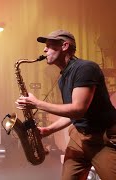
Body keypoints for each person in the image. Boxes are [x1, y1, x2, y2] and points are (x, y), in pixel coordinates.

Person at [16, 29, 116, 180]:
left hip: (102, 138)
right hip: (78, 136)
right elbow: (72, 114)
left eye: (49, 46)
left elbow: (78, 109)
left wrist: (36, 103)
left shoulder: (86, 68)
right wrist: (48, 130)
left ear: (65, 46)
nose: (44, 49)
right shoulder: (63, 77)